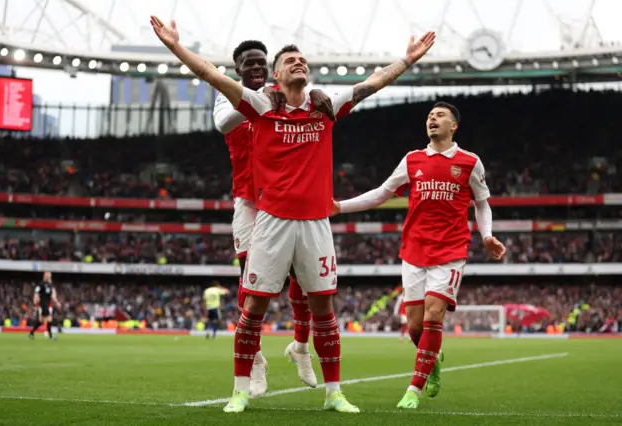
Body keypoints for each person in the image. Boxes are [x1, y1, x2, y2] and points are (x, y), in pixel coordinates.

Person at [150, 15, 435, 413]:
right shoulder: (260, 104)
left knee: (324, 309)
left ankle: (334, 392)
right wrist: (174, 46)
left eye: (302, 60)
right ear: (277, 76)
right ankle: (240, 389)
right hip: (269, 220)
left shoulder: (326, 106)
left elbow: (373, 84)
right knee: (252, 309)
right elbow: (210, 75)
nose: (299, 63)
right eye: (290, 61)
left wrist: (406, 61)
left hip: (316, 223)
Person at [333, 101, 506, 409]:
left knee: (433, 315)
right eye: (429, 116)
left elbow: (482, 202)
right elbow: (382, 193)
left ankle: (414, 388)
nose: (432, 119)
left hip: (451, 249)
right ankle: (434, 358)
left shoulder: (469, 162)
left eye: (439, 116)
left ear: (454, 126)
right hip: (414, 249)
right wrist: (340, 206)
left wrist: (487, 236)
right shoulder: (412, 160)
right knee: (414, 326)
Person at [213, 39, 334, 397]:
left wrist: (315, 90)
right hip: (250, 202)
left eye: (261, 63)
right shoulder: (230, 95)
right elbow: (223, 123)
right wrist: (264, 96)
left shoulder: (288, 94)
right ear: (238, 71)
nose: (256, 67)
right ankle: (256, 360)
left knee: (303, 274)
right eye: (249, 63)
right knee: (249, 283)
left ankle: (300, 347)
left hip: (285, 201)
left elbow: (307, 93)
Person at [28, 272, 61, 340]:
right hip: (43, 305)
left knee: (41, 321)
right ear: (45, 276)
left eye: (50, 276)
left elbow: (52, 295)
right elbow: (36, 293)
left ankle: (31, 333)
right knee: (49, 319)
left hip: (48, 305)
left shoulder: (50, 285)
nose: (49, 277)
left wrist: (57, 302)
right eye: (48, 276)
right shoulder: (41, 284)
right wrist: (35, 301)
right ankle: (50, 335)